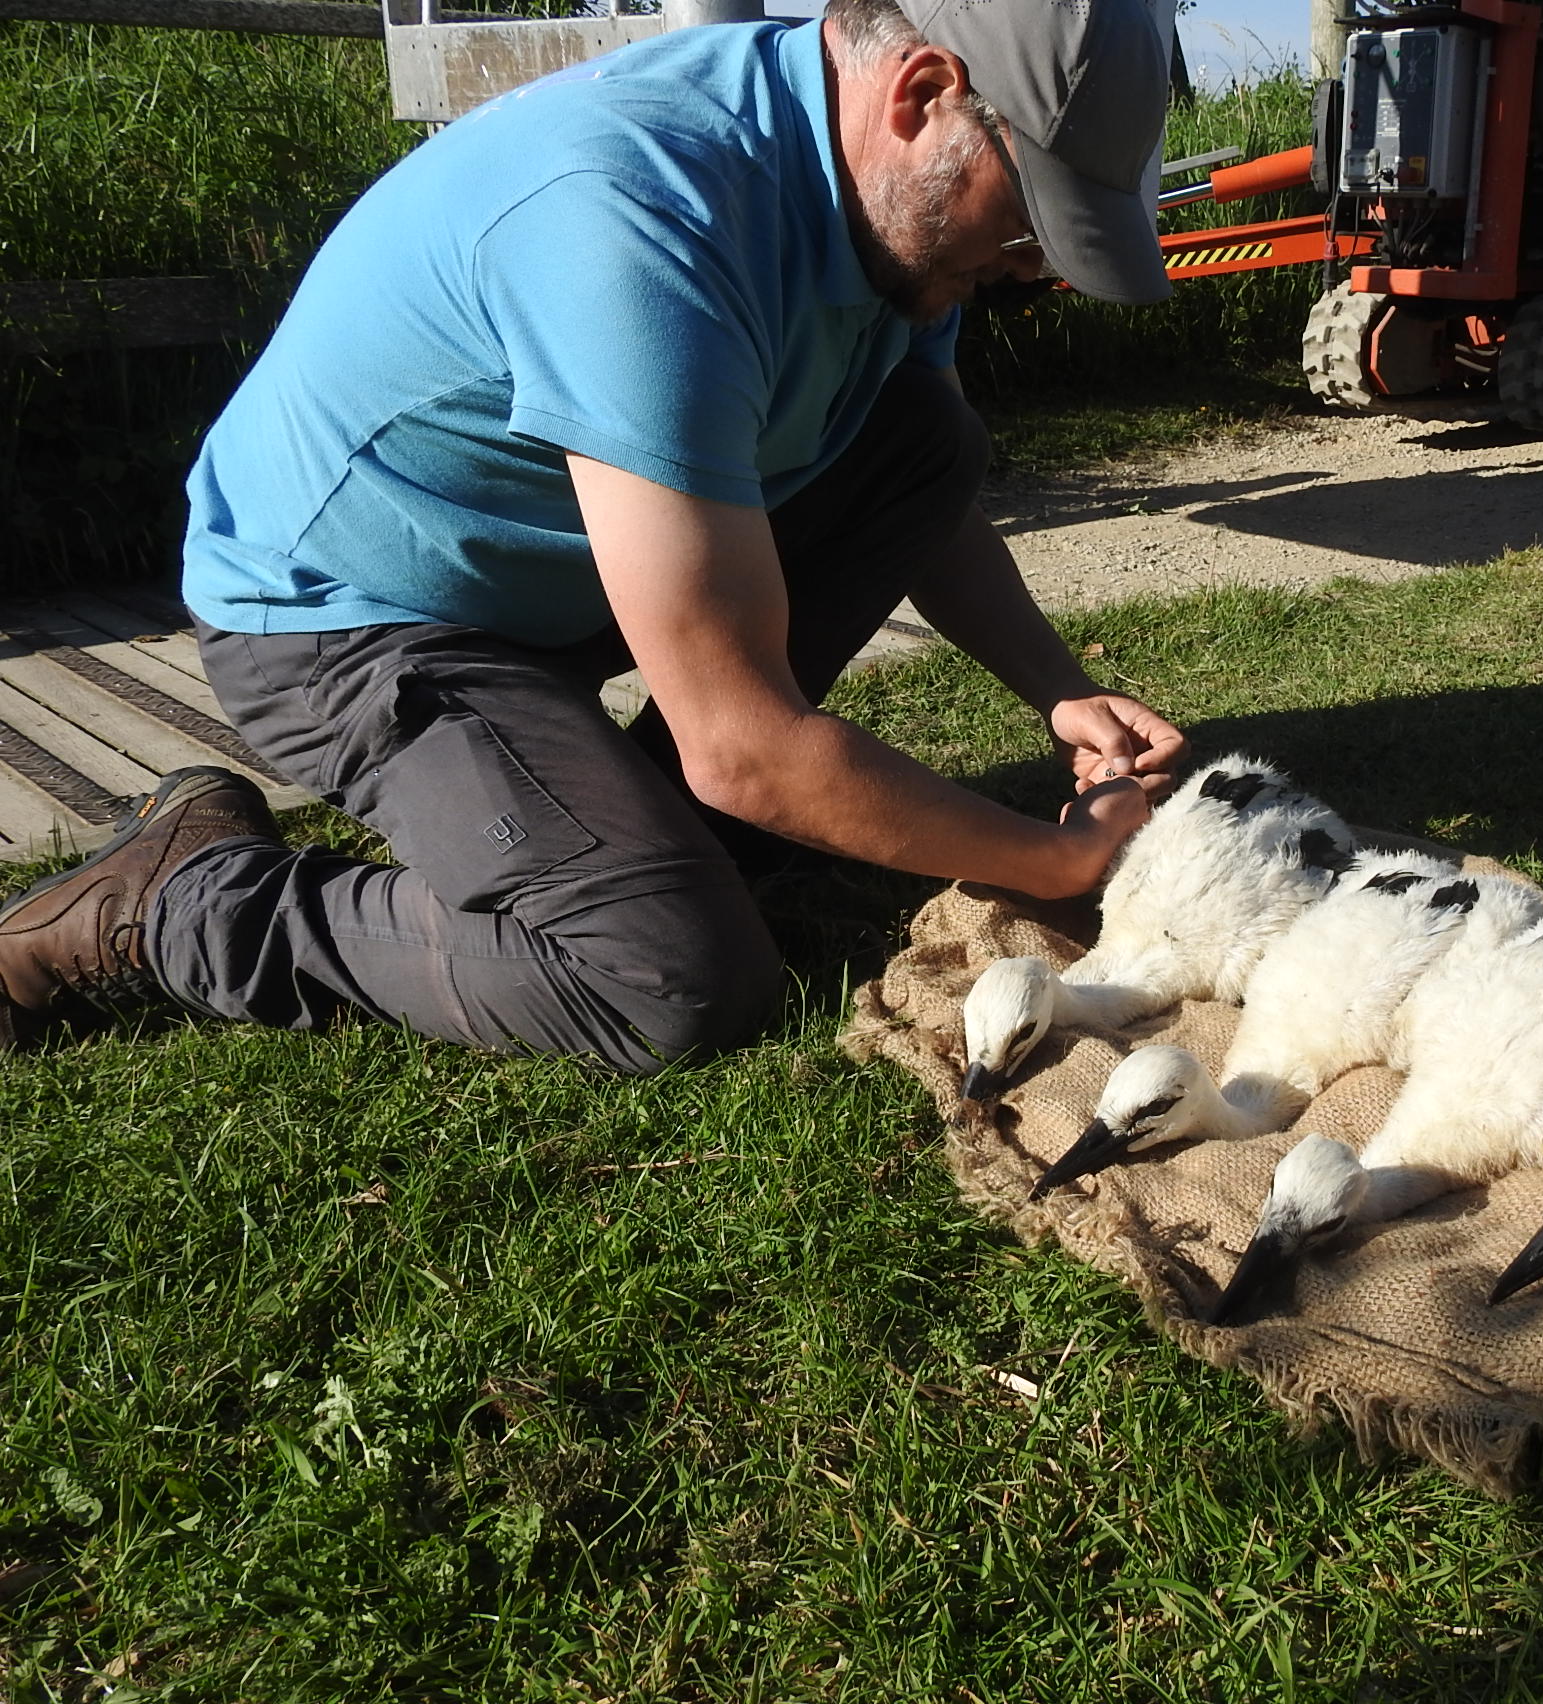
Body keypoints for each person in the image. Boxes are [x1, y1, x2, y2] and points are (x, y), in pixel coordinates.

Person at [0, 0, 1188, 1073]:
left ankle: (665, 837)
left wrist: (1058, 690)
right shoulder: (639, 216)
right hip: (350, 616)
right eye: (1032, 213)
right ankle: (185, 901)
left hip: (549, 578)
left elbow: (924, 497)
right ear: (921, 95)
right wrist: (1053, 863)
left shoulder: (884, 212)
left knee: (927, 434)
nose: (1036, 263)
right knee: (664, 976)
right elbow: (745, 745)